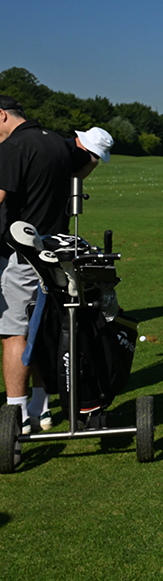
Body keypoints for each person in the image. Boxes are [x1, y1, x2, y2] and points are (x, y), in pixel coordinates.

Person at [0, 96, 75, 435]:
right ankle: (40, 407)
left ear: (2, 115)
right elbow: (85, 164)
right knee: (42, 329)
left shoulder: (14, 147)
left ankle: (15, 416)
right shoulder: (57, 142)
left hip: (21, 254)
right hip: (55, 252)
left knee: (14, 332)